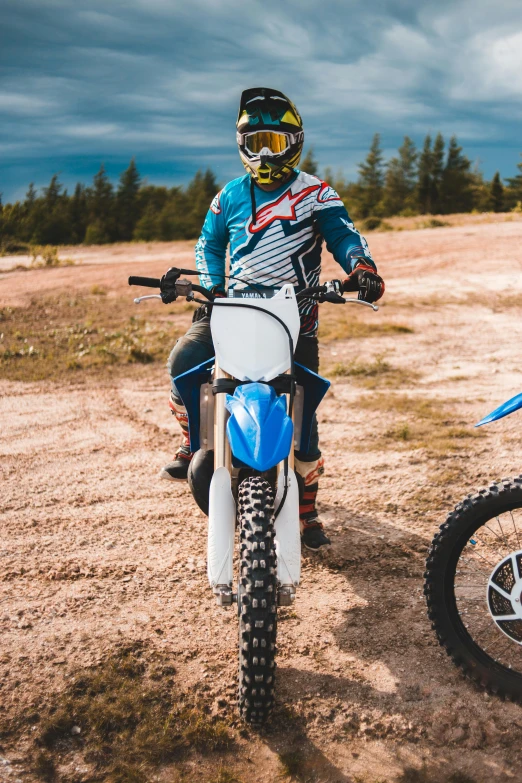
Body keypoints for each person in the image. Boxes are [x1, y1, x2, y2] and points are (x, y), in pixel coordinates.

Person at [159, 87, 384, 551]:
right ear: (242, 145)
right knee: (183, 363)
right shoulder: (228, 197)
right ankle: (192, 439)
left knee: (304, 418)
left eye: (276, 143)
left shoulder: (316, 193)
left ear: (295, 142)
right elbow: (210, 243)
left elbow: (343, 235)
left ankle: (306, 509)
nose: (264, 153)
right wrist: (210, 281)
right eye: (256, 141)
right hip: (229, 311)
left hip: (294, 319)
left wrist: (361, 267)